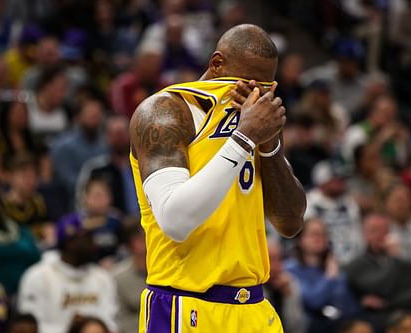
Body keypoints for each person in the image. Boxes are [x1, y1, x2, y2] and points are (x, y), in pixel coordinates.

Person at [129, 24, 306, 332]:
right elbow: (175, 220)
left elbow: (290, 223)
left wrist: (268, 145)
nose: (254, 95)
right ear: (216, 64)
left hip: (253, 307)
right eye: (246, 83)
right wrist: (244, 138)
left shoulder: (254, 119)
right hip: (185, 303)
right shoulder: (166, 111)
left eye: (265, 89)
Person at [17, 214, 118, 333]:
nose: (93, 244)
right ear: (68, 241)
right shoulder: (38, 276)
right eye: (86, 237)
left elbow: (111, 323)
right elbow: (30, 326)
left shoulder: (102, 277)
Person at [345, 214, 411, 331]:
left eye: (385, 230)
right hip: (377, 319)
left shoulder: (402, 261)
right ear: (365, 234)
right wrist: (395, 260)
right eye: (374, 230)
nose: (380, 235)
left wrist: (388, 303)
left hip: (406, 313)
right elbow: (381, 287)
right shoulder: (357, 265)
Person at [286, 217, 359, 333]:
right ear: (300, 239)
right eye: (314, 234)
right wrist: (329, 277)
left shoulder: (332, 266)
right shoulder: (291, 269)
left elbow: (348, 306)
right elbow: (313, 301)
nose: (319, 238)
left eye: (323, 234)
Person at [76, 115, 139, 216]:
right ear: (106, 137)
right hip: (110, 224)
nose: (120, 137)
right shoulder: (95, 169)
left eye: (122, 132)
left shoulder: (143, 166)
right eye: (115, 133)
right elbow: (81, 202)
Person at [305, 160, 364, 266]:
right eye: (335, 179)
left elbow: (357, 235)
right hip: (321, 263)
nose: (341, 183)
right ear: (322, 181)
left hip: (352, 262)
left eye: (342, 179)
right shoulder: (309, 203)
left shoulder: (349, 203)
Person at [0, 193, 40, 296]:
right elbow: (27, 250)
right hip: (2, 292)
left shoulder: (18, 228)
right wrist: (21, 249)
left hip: (30, 286)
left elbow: (36, 254)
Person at [264, 238, 306, 333]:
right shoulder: (250, 289)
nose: (276, 266)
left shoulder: (290, 282)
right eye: (270, 259)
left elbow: (298, 328)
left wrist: (288, 297)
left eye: (279, 259)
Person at [111, 223, 146, 333]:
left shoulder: (168, 274)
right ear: (130, 244)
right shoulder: (118, 278)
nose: (146, 244)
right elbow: (118, 320)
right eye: (141, 239)